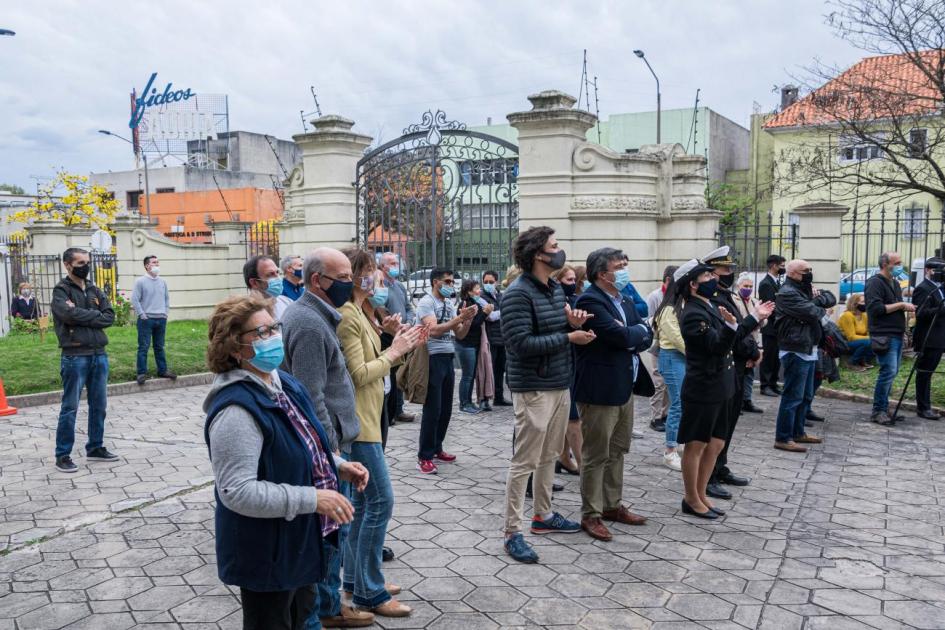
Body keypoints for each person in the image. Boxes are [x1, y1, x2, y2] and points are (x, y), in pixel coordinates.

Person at [202, 294, 370, 630]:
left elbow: (301, 443)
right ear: (235, 348)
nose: (273, 338)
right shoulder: (236, 410)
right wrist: (313, 498)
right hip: (265, 552)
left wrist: (337, 465)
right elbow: (236, 491)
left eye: (273, 328)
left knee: (299, 618)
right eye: (260, 334)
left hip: (297, 540)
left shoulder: (282, 384)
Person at [280, 248, 376, 628]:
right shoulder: (307, 322)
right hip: (328, 445)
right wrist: (329, 450)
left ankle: (328, 604)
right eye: (343, 277)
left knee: (336, 527)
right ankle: (325, 610)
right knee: (331, 530)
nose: (350, 283)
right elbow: (310, 393)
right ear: (317, 280)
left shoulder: (319, 316)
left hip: (335, 440)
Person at [500, 226, 595, 563]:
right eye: (554, 246)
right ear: (538, 254)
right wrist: (569, 338)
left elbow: (550, 329)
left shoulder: (554, 288)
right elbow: (521, 345)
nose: (560, 250)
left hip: (559, 383)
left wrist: (570, 323)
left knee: (550, 454)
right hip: (534, 389)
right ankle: (513, 531)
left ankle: (543, 515)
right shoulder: (517, 294)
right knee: (524, 461)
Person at [337, 250, 421, 618]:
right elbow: (357, 374)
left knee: (362, 506)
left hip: (371, 415)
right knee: (380, 502)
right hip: (359, 423)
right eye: (371, 271)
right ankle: (369, 591)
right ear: (355, 276)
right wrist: (395, 350)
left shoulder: (364, 313)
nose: (379, 278)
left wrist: (395, 343)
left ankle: (357, 580)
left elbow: (378, 363)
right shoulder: (347, 316)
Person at [573, 247, 651, 541]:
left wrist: (634, 332)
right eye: (619, 266)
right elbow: (621, 336)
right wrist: (633, 333)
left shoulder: (625, 298)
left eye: (625, 263)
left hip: (624, 386)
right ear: (602, 274)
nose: (625, 269)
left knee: (618, 449)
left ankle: (612, 505)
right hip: (600, 389)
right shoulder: (591, 299)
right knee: (596, 454)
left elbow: (644, 333)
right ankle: (591, 514)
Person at [704, 248, 772, 500]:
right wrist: (751, 348)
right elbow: (731, 333)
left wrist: (754, 349)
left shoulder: (726, 295)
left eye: (731, 270)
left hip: (737, 365)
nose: (729, 274)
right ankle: (707, 476)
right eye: (724, 270)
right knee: (716, 427)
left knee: (729, 422)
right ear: (711, 272)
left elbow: (742, 331)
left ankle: (720, 467)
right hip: (725, 365)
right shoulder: (713, 299)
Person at [674, 258, 739, 520]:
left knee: (716, 443)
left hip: (720, 385)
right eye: (707, 278)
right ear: (692, 285)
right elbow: (715, 346)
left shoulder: (709, 305)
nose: (713, 280)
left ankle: (701, 493)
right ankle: (691, 498)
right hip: (703, 387)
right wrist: (732, 327)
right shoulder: (692, 313)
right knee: (697, 444)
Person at [50, 248, 119, 473]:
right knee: (70, 407)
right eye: (80, 262)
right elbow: (66, 315)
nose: (85, 266)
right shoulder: (61, 290)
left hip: (99, 353)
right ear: (67, 265)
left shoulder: (94, 289)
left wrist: (81, 315)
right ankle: (63, 455)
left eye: (87, 262)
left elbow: (109, 316)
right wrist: (93, 317)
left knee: (99, 404)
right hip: (75, 355)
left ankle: (95, 447)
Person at [415, 269, 477, 474]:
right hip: (431, 358)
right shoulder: (427, 302)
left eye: (452, 282)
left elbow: (459, 334)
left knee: (446, 409)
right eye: (447, 281)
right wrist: (459, 319)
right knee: (432, 409)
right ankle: (424, 456)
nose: (451, 285)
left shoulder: (448, 303)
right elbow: (432, 330)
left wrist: (466, 321)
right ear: (435, 282)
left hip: (448, 357)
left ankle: (436, 447)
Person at [774, 259, 836, 451]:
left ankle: (798, 432)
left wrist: (815, 298)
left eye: (810, 269)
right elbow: (813, 312)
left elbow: (831, 297)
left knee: (805, 395)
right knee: (792, 397)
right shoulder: (787, 293)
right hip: (795, 350)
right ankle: (783, 438)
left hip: (809, 349)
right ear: (792, 273)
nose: (809, 273)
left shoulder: (803, 288)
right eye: (805, 271)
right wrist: (816, 300)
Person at [865, 252, 915, 425]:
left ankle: (884, 408)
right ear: (886, 264)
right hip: (884, 334)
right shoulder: (874, 283)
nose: (901, 265)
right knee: (887, 372)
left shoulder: (893, 282)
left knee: (891, 373)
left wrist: (906, 308)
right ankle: (878, 411)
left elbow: (893, 307)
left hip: (896, 333)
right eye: (897, 262)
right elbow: (875, 309)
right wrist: (901, 305)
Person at [551, 264, 582, 475]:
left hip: (572, 361)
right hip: (558, 365)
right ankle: (584, 464)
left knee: (569, 416)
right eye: (569, 280)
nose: (574, 285)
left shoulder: (572, 301)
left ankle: (564, 457)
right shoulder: (554, 303)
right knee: (573, 419)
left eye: (574, 280)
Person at [379, 252, 417, 423]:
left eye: (396, 263)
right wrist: (395, 327)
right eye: (392, 263)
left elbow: (409, 307)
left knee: (400, 373)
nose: (396, 267)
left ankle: (398, 409)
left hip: (403, 333)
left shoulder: (399, 286)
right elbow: (380, 310)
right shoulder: (380, 288)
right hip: (388, 335)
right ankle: (389, 412)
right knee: (389, 374)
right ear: (383, 266)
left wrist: (408, 322)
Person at [652, 275, 686, 471]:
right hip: (673, 357)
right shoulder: (668, 310)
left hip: (681, 357)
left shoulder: (681, 307)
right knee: (678, 403)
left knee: (683, 402)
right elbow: (677, 338)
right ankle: (670, 450)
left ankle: (678, 442)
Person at [132, 255, 175, 386]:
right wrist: (142, 314)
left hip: (161, 319)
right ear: (147, 266)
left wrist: (165, 312)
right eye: (154, 262)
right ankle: (141, 373)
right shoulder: (140, 281)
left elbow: (166, 298)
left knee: (159, 346)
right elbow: (135, 299)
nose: (157, 264)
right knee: (143, 347)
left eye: (157, 262)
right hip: (146, 320)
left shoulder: (162, 282)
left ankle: (162, 370)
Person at [644, 266, 678, 432]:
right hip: (658, 345)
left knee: (668, 381)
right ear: (668, 280)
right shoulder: (655, 297)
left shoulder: (676, 296)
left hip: (671, 345)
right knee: (659, 382)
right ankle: (656, 417)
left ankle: (664, 414)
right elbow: (648, 321)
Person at [912, 257, 945, 420]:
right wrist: (941, 308)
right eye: (936, 270)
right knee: (924, 373)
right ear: (927, 270)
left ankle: (926, 406)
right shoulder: (923, 288)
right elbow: (920, 313)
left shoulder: (940, 287)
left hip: (939, 337)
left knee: (929, 372)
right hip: (928, 339)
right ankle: (923, 408)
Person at [455, 278, 492, 414]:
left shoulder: (476, 302)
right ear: (469, 291)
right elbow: (473, 324)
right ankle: (464, 403)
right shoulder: (466, 304)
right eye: (476, 288)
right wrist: (485, 313)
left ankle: (469, 402)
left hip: (474, 344)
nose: (479, 290)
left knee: (471, 375)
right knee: (467, 376)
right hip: (466, 344)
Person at [734, 272, 765, 412]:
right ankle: (737, 402)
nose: (748, 288)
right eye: (745, 286)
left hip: (753, 340)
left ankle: (747, 400)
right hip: (740, 341)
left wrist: (761, 320)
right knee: (739, 373)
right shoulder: (733, 300)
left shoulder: (754, 301)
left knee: (750, 372)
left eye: (751, 286)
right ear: (738, 286)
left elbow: (764, 320)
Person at [480, 269, 511, 407]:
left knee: (500, 369)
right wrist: (504, 311)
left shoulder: (500, 296)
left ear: (497, 282)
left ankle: (499, 397)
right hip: (489, 338)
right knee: (488, 370)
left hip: (502, 337)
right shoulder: (482, 297)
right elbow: (490, 317)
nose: (488, 284)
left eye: (491, 282)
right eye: (485, 282)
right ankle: (485, 399)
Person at [759, 255, 786, 396]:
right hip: (770, 327)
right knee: (769, 357)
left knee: (776, 357)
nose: (783, 268)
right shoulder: (766, 284)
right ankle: (765, 385)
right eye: (782, 265)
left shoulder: (777, 282)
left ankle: (773, 383)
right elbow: (770, 306)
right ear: (774, 265)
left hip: (778, 327)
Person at [243, 255, 292, 320]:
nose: (278, 278)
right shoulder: (244, 312)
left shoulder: (287, 303)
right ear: (254, 283)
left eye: (277, 272)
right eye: (270, 274)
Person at [837, 293, 875, 371]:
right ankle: (851, 363)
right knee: (868, 342)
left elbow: (867, 331)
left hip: (858, 342)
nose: (865, 304)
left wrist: (872, 337)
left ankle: (863, 361)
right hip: (844, 343)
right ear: (854, 304)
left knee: (874, 340)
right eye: (863, 302)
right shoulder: (847, 315)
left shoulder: (864, 315)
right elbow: (851, 337)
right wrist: (870, 338)